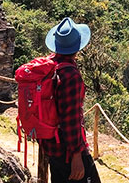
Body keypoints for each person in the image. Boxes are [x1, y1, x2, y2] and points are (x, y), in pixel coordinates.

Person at [40, 17, 100, 183]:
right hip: (67, 151)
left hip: (51, 145)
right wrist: (76, 156)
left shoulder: (50, 66)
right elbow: (70, 119)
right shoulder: (70, 76)